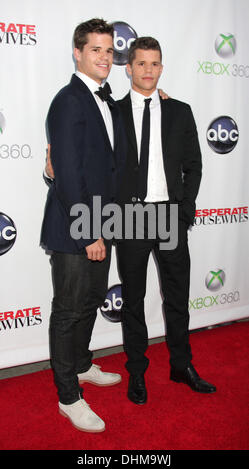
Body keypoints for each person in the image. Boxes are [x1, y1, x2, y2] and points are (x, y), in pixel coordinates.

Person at [116, 37, 216, 404]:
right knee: (133, 299)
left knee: (177, 296)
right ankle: (137, 372)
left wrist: (185, 210)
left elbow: (194, 165)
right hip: (130, 217)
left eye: (154, 64)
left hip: (170, 216)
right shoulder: (113, 111)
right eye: (140, 63)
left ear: (161, 67)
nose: (147, 70)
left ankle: (181, 365)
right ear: (129, 67)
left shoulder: (180, 111)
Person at [40, 18, 126, 432]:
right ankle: (68, 396)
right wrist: (89, 230)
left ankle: (80, 364)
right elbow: (70, 174)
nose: (105, 58)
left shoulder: (103, 100)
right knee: (69, 311)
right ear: (78, 52)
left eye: (109, 51)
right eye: (96, 50)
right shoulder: (70, 100)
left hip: (102, 224)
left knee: (91, 301)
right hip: (78, 228)